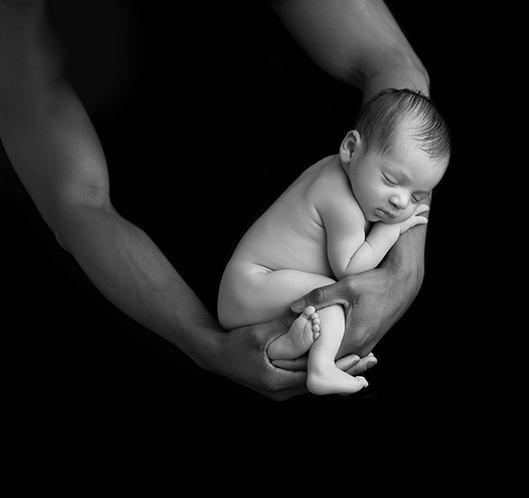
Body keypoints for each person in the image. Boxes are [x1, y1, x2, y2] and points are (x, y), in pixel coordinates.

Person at [0, 0, 434, 400]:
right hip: (169, 307)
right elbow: (76, 201)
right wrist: (207, 344)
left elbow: (390, 63)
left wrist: (404, 272)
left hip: (351, 239)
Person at [218, 89, 449, 395]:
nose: (400, 202)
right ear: (351, 149)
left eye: (416, 197)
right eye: (392, 181)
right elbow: (349, 269)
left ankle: (284, 347)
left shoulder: (338, 172)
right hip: (253, 284)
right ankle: (322, 369)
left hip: (250, 289)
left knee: (313, 315)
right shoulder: (342, 202)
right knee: (332, 302)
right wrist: (390, 232)